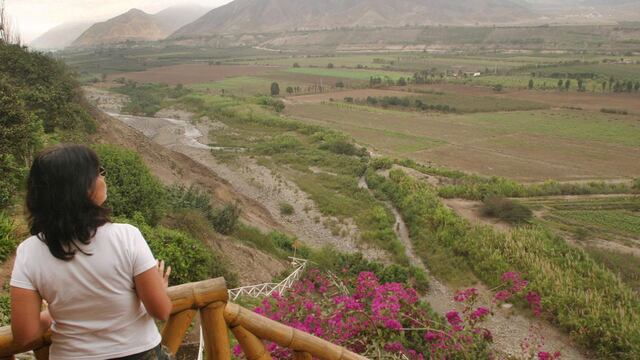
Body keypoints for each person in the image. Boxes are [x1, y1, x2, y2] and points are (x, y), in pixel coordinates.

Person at [10, 144, 173, 359]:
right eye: (98, 172)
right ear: (83, 187)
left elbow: (25, 334)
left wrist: (53, 313)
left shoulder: (29, 252)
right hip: (138, 353)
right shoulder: (126, 236)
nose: (102, 177)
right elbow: (161, 311)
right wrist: (158, 288)